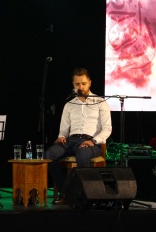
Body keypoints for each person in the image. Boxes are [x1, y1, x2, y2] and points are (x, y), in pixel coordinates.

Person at [47, 68, 112, 205]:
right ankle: (66, 192)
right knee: (49, 154)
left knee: (82, 155)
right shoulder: (69, 104)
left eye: (83, 83)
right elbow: (63, 129)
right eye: (77, 84)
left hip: (92, 142)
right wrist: (61, 137)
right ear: (73, 84)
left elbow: (107, 129)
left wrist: (93, 141)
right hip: (72, 140)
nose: (80, 87)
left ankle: (85, 194)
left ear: (90, 83)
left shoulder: (100, 102)